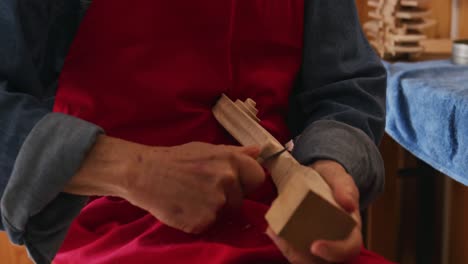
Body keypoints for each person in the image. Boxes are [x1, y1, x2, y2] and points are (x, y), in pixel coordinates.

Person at [0, 0, 390, 263]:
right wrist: (134, 169)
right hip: (111, 231)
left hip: (282, 233)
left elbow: (346, 88)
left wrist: (332, 167)